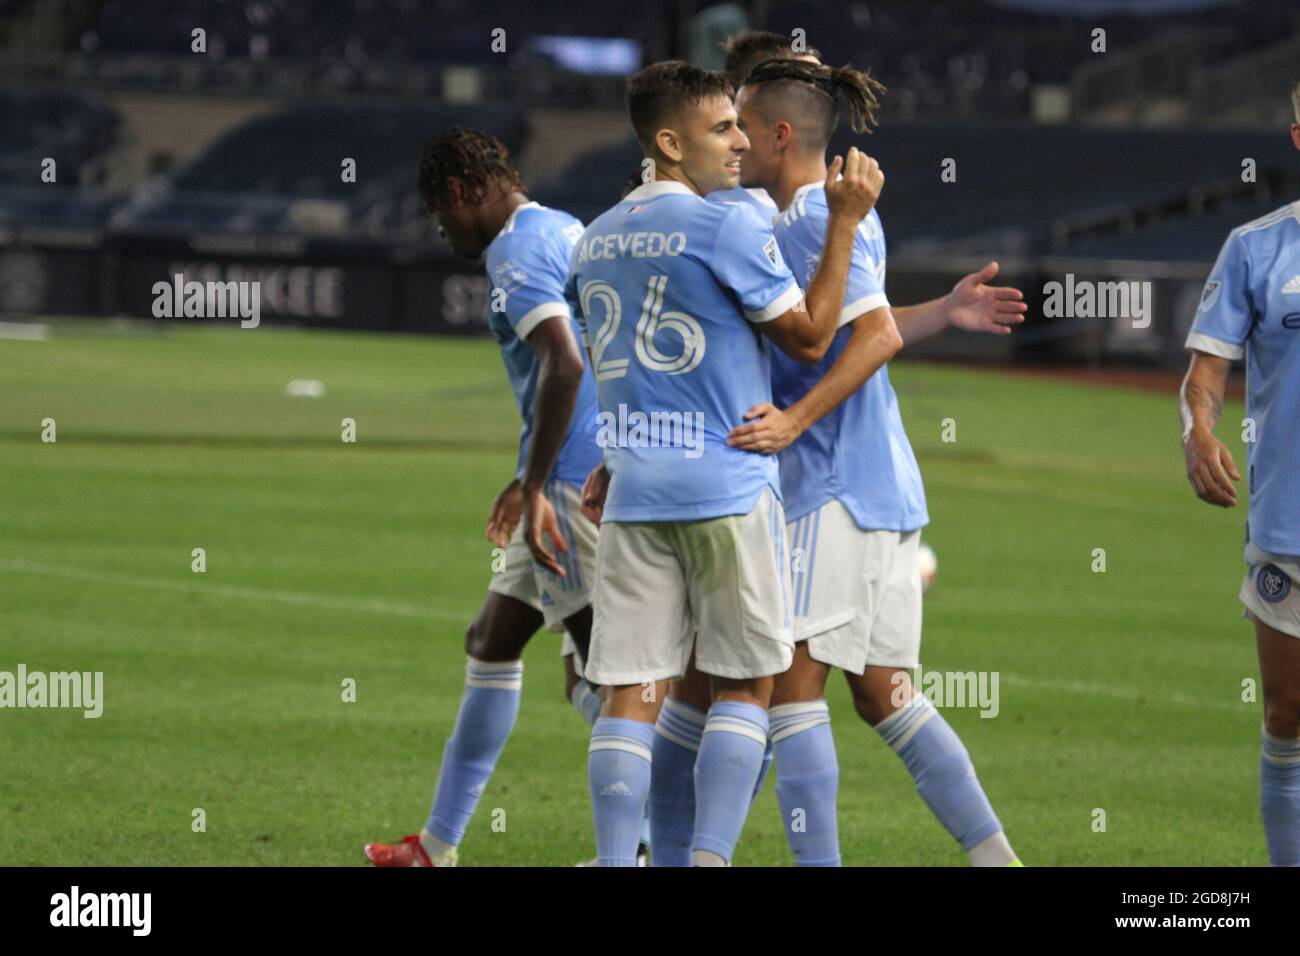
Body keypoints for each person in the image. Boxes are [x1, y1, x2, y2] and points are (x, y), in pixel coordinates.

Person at [568, 59, 881, 866]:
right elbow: (812, 335)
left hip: (634, 491)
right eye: (721, 128)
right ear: (670, 142)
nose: (740, 142)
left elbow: (617, 366)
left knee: (631, 692)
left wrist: (613, 453)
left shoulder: (594, 238)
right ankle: (707, 861)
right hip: (728, 485)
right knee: (746, 688)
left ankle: (614, 862)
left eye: (741, 125)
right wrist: (844, 221)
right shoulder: (728, 226)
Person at [727, 57, 1025, 866]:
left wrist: (792, 419)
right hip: (883, 491)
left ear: (779, 134)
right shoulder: (837, 212)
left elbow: (873, 338)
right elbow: (878, 320)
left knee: (783, 694)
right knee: (886, 697)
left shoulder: (808, 219)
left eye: (739, 125)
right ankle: (999, 860)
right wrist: (948, 311)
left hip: (833, 491)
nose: (729, 139)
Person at [364, 127, 604, 867]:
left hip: (571, 485)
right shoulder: (561, 227)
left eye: (442, 214)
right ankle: (437, 846)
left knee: (609, 678)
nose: (444, 232)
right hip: (570, 471)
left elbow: (564, 364)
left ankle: (653, 843)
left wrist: (535, 484)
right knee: (493, 641)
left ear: (468, 191)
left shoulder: (515, 252)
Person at [1179, 83, 1300, 866]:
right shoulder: (1258, 247)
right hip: (1289, 525)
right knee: (1288, 715)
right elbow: (1205, 372)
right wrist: (1198, 433)